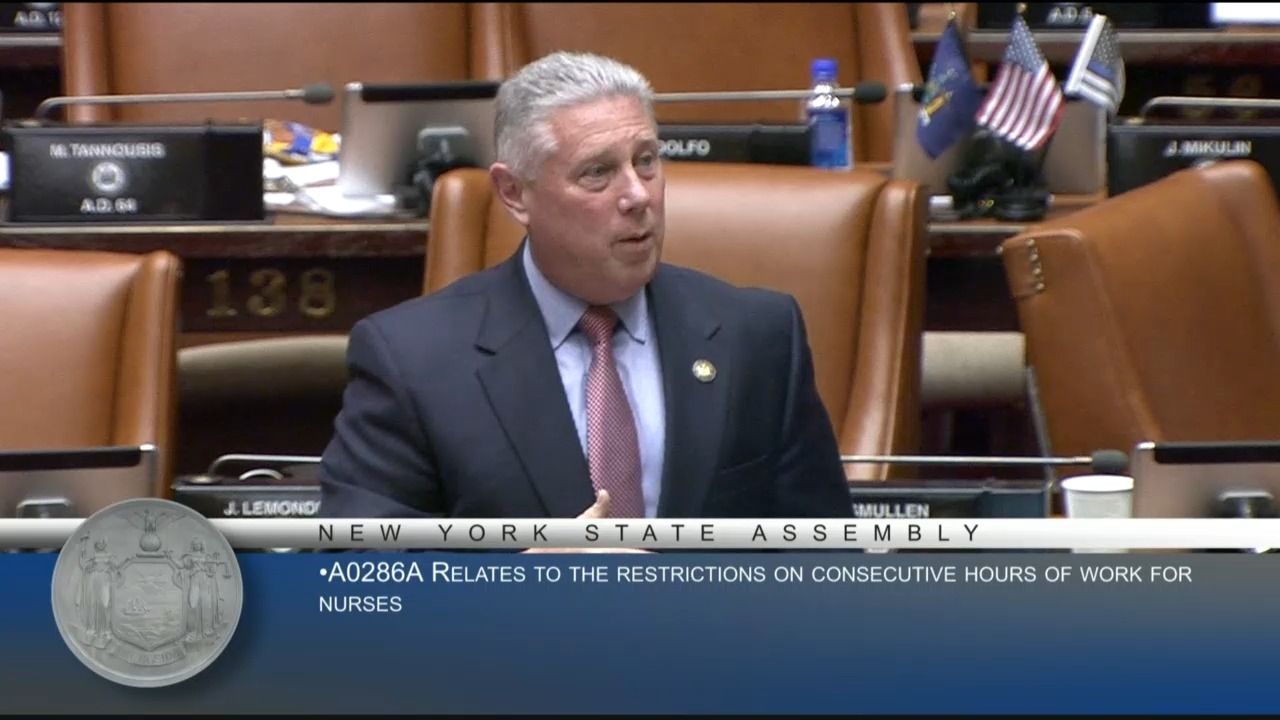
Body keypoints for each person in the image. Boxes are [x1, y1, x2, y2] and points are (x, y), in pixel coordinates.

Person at [319, 51, 853, 525]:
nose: (638, 195)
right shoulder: (413, 359)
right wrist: (521, 579)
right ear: (514, 192)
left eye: (647, 161)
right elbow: (357, 566)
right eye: (598, 172)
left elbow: (825, 561)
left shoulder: (756, 337)